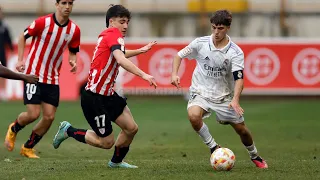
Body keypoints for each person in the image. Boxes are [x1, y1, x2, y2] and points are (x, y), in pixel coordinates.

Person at [52, 4, 157, 168]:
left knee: (131, 128)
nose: (126, 26)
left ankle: (116, 162)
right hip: (94, 98)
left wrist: (140, 50)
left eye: (127, 22)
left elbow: (119, 53)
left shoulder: (110, 36)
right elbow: (121, 60)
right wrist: (144, 75)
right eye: (122, 22)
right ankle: (68, 130)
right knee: (106, 142)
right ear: (111, 21)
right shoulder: (113, 34)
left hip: (108, 95)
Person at [171, 10, 268, 169]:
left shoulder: (235, 52)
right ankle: (214, 147)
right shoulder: (200, 43)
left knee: (242, 130)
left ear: (228, 28)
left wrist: (235, 99)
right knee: (193, 116)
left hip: (224, 97)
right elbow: (178, 55)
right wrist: (174, 74)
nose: (216, 32)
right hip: (201, 92)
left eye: (220, 28)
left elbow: (239, 78)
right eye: (214, 27)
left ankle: (254, 155)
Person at [4, 0, 81, 158]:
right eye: (64, 3)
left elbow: (73, 50)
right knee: (33, 114)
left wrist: (72, 60)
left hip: (53, 78)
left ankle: (28, 147)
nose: (67, 6)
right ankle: (13, 128)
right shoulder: (43, 22)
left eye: (70, 3)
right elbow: (22, 36)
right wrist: (20, 60)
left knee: (49, 117)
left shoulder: (74, 30)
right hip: (34, 75)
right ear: (57, 4)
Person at [0, 6, 15, 98]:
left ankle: (3, 92)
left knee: (2, 71)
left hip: (1, 52)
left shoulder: (4, 26)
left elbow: (8, 39)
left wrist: (12, 50)